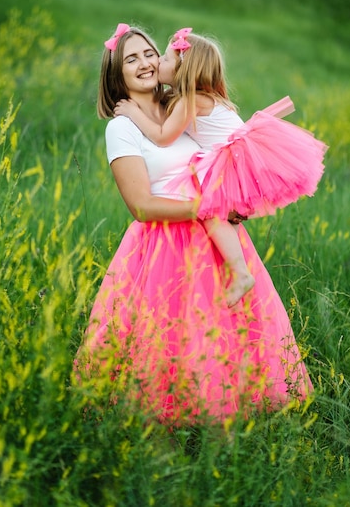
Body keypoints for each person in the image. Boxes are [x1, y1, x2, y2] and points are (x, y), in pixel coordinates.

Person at [75, 22, 314, 424]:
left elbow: (222, 154)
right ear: (116, 75)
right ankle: (164, 443)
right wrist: (207, 206)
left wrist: (232, 200)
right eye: (131, 59)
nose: (147, 62)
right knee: (168, 340)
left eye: (150, 53)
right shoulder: (122, 127)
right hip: (165, 246)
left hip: (213, 238)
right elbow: (142, 206)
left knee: (222, 338)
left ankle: (224, 443)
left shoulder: (179, 106)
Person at [114, 28, 328, 308]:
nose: (157, 65)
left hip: (235, 160)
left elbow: (163, 136)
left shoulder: (189, 100)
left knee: (212, 209)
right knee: (215, 211)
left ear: (182, 71)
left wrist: (133, 113)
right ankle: (237, 268)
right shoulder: (196, 98)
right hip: (243, 157)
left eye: (163, 59)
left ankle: (239, 271)